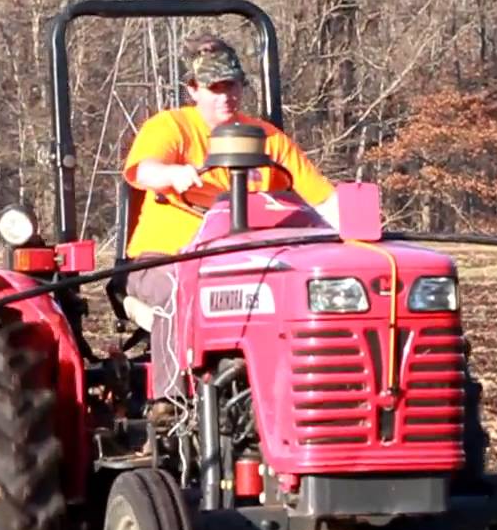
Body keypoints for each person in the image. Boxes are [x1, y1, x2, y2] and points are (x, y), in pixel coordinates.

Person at [122, 32, 339, 406]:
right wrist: (172, 174)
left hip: (247, 265)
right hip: (165, 260)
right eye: (216, 86)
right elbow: (145, 170)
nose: (227, 95)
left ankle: (315, 399)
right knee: (179, 292)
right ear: (193, 89)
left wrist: (356, 228)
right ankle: (171, 404)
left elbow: (324, 201)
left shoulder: (267, 139)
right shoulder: (171, 127)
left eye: (233, 85)